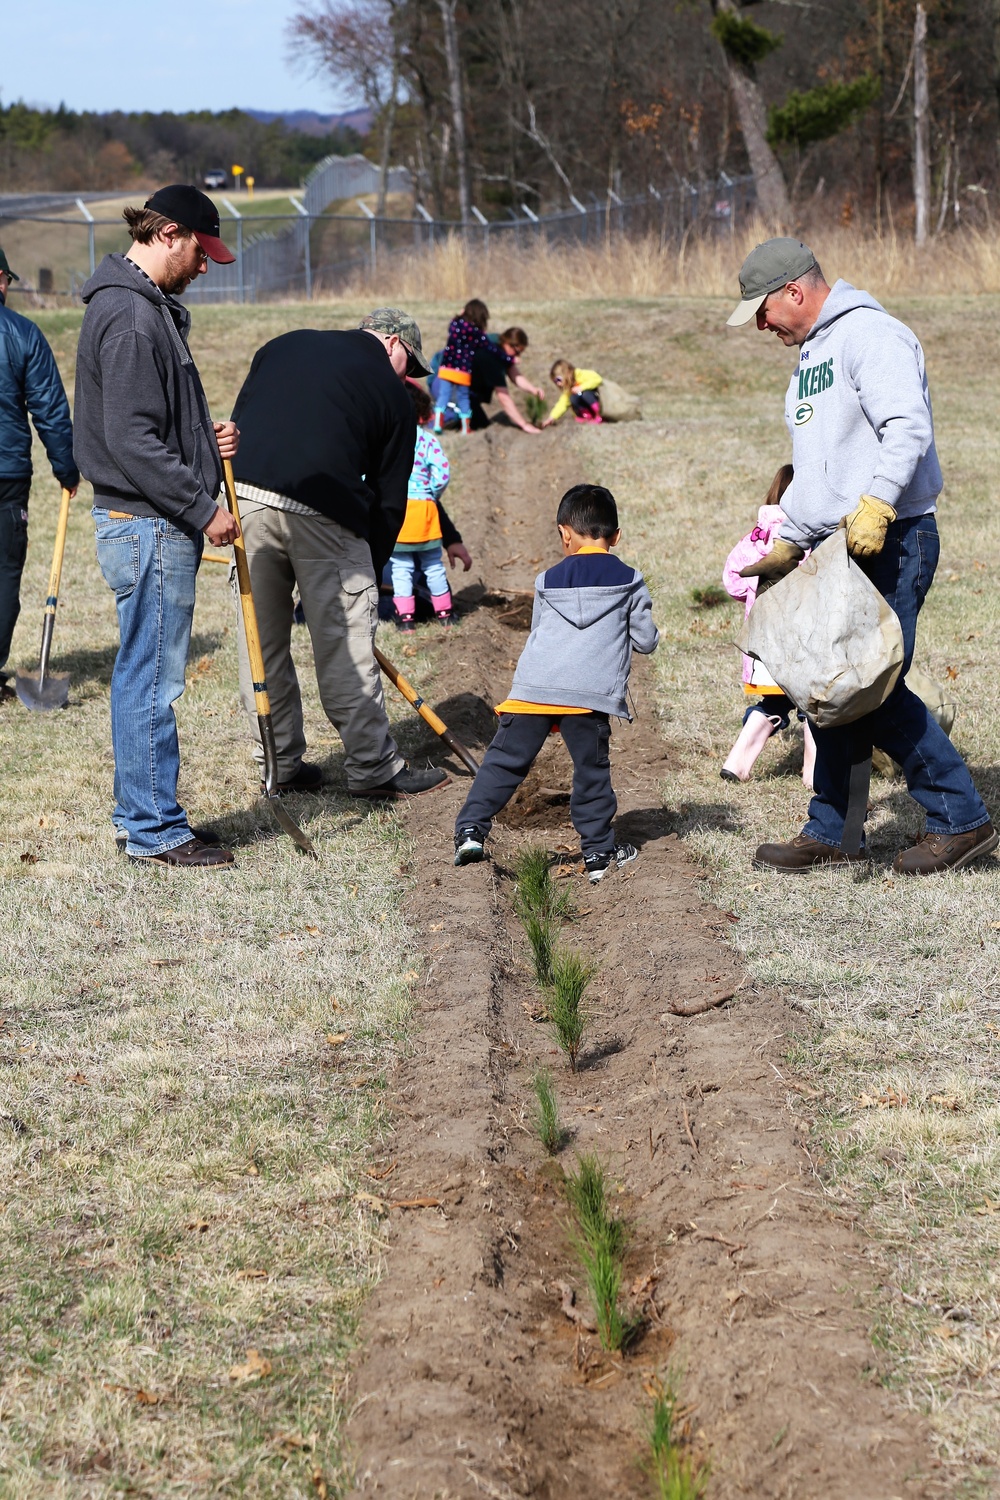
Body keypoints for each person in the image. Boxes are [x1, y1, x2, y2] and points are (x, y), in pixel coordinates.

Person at [727, 236, 995, 875]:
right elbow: (820, 466)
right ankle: (832, 829)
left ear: (794, 290)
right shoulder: (810, 355)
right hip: (832, 548)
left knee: (870, 686)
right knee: (828, 683)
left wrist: (876, 504)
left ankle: (964, 821)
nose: (760, 324)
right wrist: (790, 534)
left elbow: (906, 426)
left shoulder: (871, 336)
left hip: (891, 537)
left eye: (762, 310)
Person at [74, 185, 241, 870]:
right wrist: (205, 509)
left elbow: (147, 425)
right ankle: (155, 831)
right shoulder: (135, 318)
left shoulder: (141, 309)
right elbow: (135, 441)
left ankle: (142, 815)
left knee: (142, 673)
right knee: (152, 680)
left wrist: (206, 438)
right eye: (202, 253)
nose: (205, 268)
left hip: (146, 523)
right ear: (169, 234)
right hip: (150, 527)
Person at [228, 308, 449, 800]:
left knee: (260, 642)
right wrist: (367, 576)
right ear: (394, 343)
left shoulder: (283, 343)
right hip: (324, 510)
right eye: (409, 366)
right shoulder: (393, 396)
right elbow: (392, 501)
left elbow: (243, 421)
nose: (407, 379)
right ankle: (372, 769)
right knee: (344, 645)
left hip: (242, 497)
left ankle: (279, 762)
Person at [453, 483, 659, 883]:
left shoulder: (547, 580)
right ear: (615, 536)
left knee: (504, 762)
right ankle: (599, 854)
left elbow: (538, 635)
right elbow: (646, 641)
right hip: (588, 697)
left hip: (534, 690)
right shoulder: (630, 580)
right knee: (590, 771)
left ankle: (470, 832)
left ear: (565, 534)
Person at [0, 245, 79, 702]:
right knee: (4, 572)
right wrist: (65, 466)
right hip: (6, 479)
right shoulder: (23, 333)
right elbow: (49, 408)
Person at [721, 464, 816, 788]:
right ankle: (815, 774)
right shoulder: (810, 535)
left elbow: (732, 578)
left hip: (762, 641)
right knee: (813, 704)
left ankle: (737, 763)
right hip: (803, 642)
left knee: (773, 702)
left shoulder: (756, 537)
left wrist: (753, 594)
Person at [391, 384, 454, 631]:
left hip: (399, 510)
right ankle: (445, 614)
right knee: (433, 564)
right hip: (425, 509)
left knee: (401, 567)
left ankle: (406, 620)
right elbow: (442, 473)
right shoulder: (427, 439)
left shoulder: (388, 439)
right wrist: (432, 495)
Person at [433, 298, 517, 434]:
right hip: (463, 371)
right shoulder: (477, 334)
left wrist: (459, 315)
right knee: (464, 399)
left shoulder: (455, 324)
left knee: (444, 396)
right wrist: (509, 359)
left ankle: (438, 424)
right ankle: (466, 428)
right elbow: (492, 349)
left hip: (446, 368)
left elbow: (451, 323)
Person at [541, 360, 603, 425]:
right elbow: (562, 403)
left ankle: (599, 414)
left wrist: (582, 387)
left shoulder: (580, 375)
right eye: (555, 382)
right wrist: (551, 418)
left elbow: (598, 379)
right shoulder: (569, 388)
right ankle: (587, 416)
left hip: (596, 399)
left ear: (566, 373)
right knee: (573, 397)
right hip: (587, 406)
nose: (558, 383)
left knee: (585, 394)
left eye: (558, 380)